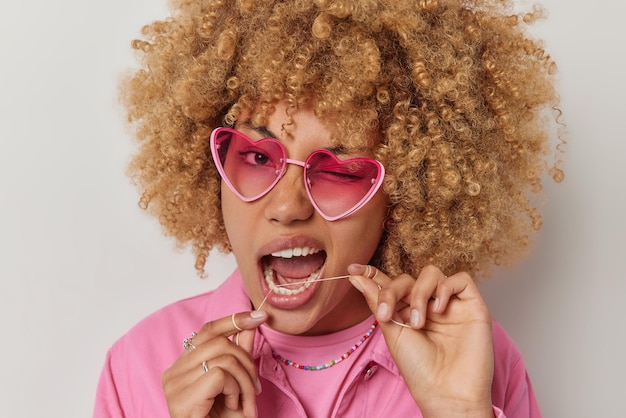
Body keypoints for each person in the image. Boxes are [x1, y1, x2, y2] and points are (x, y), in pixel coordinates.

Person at [94, 0, 564, 416]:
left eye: (340, 170)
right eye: (258, 158)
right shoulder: (140, 366)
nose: (287, 205)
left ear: (402, 195)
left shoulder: (473, 359)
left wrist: (458, 412)